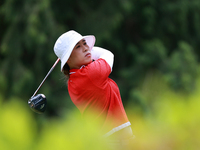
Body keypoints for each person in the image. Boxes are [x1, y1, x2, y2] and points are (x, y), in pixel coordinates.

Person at [53, 30, 134, 147]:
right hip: (116, 140)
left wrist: (77, 53)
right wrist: (90, 50)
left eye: (85, 43)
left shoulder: (73, 80)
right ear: (68, 59)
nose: (86, 48)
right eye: (78, 46)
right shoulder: (89, 74)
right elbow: (108, 55)